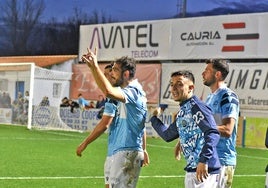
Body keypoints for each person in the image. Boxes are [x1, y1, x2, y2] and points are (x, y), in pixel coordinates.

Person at [81, 49, 148, 188]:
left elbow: (107, 92)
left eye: (115, 70)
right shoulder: (127, 91)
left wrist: (94, 66)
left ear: (126, 74)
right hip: (123, 150)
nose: (111, 74)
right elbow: (142, 124)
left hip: (127, 150)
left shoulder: (133, 91)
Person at [150, 70, 221, 188]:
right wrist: (154, 118)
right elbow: (168, 135)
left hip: (204, 170)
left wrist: (203, 161)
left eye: (179, 84)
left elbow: (212, 133)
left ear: (191, 87)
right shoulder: (183, 111)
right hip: (193, 170)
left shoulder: (196, 106)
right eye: (172, 84)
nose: (174, 88)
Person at [202, 59, 240, 188]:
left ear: (217, 74)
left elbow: (228, 130)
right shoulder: (210, 97)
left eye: (207, 70)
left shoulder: (227, 96)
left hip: (222, 160)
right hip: (209, 158)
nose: (203, 73)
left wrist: (202, 128)